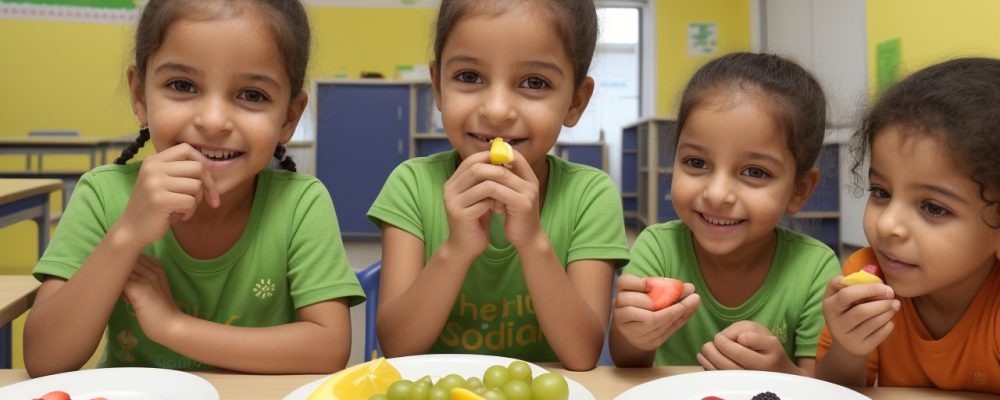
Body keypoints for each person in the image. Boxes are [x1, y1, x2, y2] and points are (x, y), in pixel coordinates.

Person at [23, 0, 363, 377]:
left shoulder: (300, 204)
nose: (214, 121)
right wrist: (126, 236)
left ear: (288, 117)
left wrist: (174, 327)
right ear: (140, 96)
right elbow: (44, 360)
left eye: (252, 95)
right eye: (182, 85)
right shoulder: (104, 197)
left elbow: (329, 350)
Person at [367, 0, 629, 370]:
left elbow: (582, 354)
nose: (496, 110)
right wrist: (457, 248)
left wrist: (533, 241)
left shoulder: (590, 196)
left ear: (575, 101)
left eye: (534, 83)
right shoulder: (411, 185)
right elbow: (397, 347)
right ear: (438, 87)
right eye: (469, 77)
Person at [610, 52, 838, 376]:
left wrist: (783, 371)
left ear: (799, 189)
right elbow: (628, 363)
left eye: (755, 172)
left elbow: (817, 385)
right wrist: (631, 331)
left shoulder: (815, 269)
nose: (716, 194)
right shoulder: (657, 249)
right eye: (696, 163)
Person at [816, 58, 1000, 393]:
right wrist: (848, 347)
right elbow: (831, 392)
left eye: (933, 208)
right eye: (881, 192)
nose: (887, 225)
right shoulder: (867, 276)